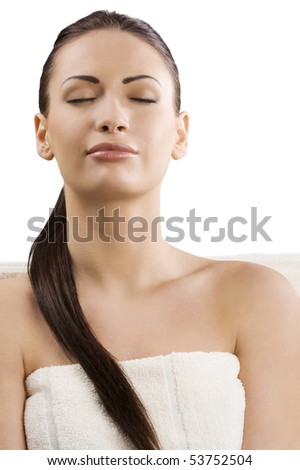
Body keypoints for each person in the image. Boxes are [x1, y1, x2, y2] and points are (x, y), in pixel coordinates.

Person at [0, 10, 300, 451]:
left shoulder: (258, 299)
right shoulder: (8, 315)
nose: (113, 118)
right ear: (42, 134)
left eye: (141, 97)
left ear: (180, 134)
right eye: (81, 97)